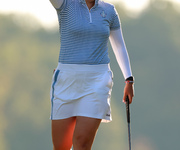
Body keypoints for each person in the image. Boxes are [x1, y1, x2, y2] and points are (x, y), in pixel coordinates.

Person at [49, 0, 135, 149]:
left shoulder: (108, 10)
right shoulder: (64, 4)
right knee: (61, 147)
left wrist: (129, 79)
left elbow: (119, 46)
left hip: (97, 82)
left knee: (81, 143)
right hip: (66, 80)